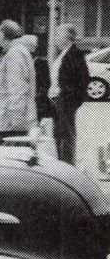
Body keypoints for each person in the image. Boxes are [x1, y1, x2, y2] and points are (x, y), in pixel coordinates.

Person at [0, 19, 36, 146]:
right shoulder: (19, 51)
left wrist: (16, 119)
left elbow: (17, 87)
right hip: (9, 120)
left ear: (4, 36)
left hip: (6, 122)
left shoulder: (14, 53)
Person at [49, 23, 90, 165]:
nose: (55, 39)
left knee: (66, 135)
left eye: (58, 35)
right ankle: (63, 162)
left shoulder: (74, 53)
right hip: (58, 100)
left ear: (68, 37)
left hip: (65, 101)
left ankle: (67, 165)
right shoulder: (64, 53)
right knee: (59, 134)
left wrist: (69, 100)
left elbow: (83, 80)